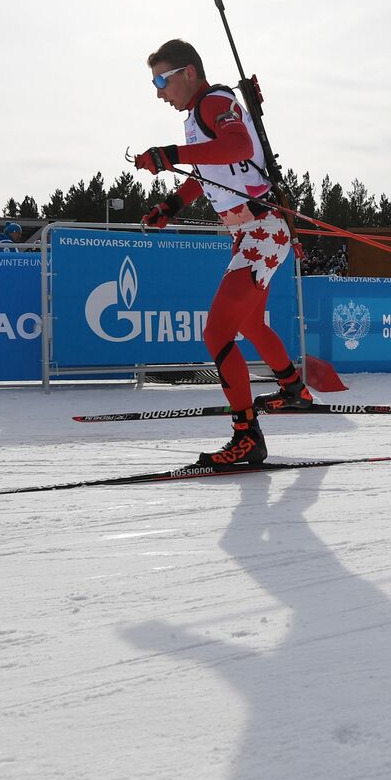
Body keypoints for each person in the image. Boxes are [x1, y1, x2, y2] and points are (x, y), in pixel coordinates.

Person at [133, 38, 312, 467]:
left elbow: (238, 148)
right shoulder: (199, 116)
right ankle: (293, 390)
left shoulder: (213, 102)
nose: (159, 91)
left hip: (261, 228)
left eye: (162, 79)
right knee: (248, 322)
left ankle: (246, 436)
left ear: (188, 73)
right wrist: (173, 205)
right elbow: (208, 171)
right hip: (253, 230)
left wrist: (168, 153)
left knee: (216, 333)